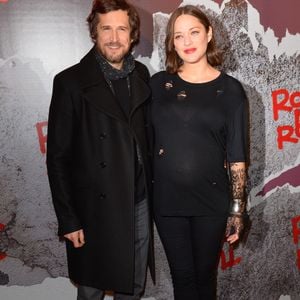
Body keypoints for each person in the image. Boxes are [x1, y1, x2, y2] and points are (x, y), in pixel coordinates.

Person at [46, 0, 155, 299]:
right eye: (106, 28)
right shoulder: (70, 82)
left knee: (133, 287)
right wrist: (69, 219)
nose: (114, 37)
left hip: (139, 202)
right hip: (94, 207)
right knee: (92, 288)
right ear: (94, 32)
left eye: (122, 28)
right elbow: (57, 158)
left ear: (133, 35)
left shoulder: (142, 76)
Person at [150, 5, 248, 300]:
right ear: (172, 43)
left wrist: (237, 209)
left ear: (208, 34)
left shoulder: (231, 90)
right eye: (178, 36)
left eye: (193, 32)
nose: (187, 41)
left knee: (205, 279)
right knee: (183, 279)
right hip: (167, 201)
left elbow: (237, 155)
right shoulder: (156, 85)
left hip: (211, 200)